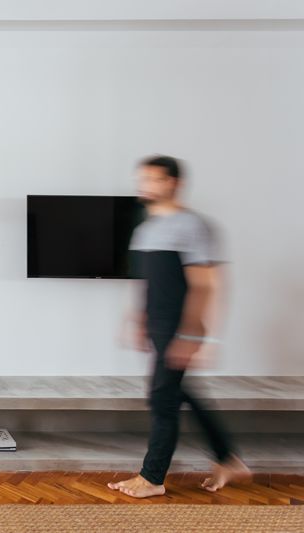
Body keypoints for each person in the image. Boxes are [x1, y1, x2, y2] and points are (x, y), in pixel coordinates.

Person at [108, 155, 251, 498]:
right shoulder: (145, 228)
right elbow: (147, 281)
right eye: (143, 179)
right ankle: (228, 458)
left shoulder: (193, 226)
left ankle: (152, 478)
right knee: (178, 393)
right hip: (157, 323)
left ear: (174, 183)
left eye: (154, 179)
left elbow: (206, 285)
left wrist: (193, 335)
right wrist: (137, 320)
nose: (146, 186)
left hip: (180, 325)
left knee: (162, 398)